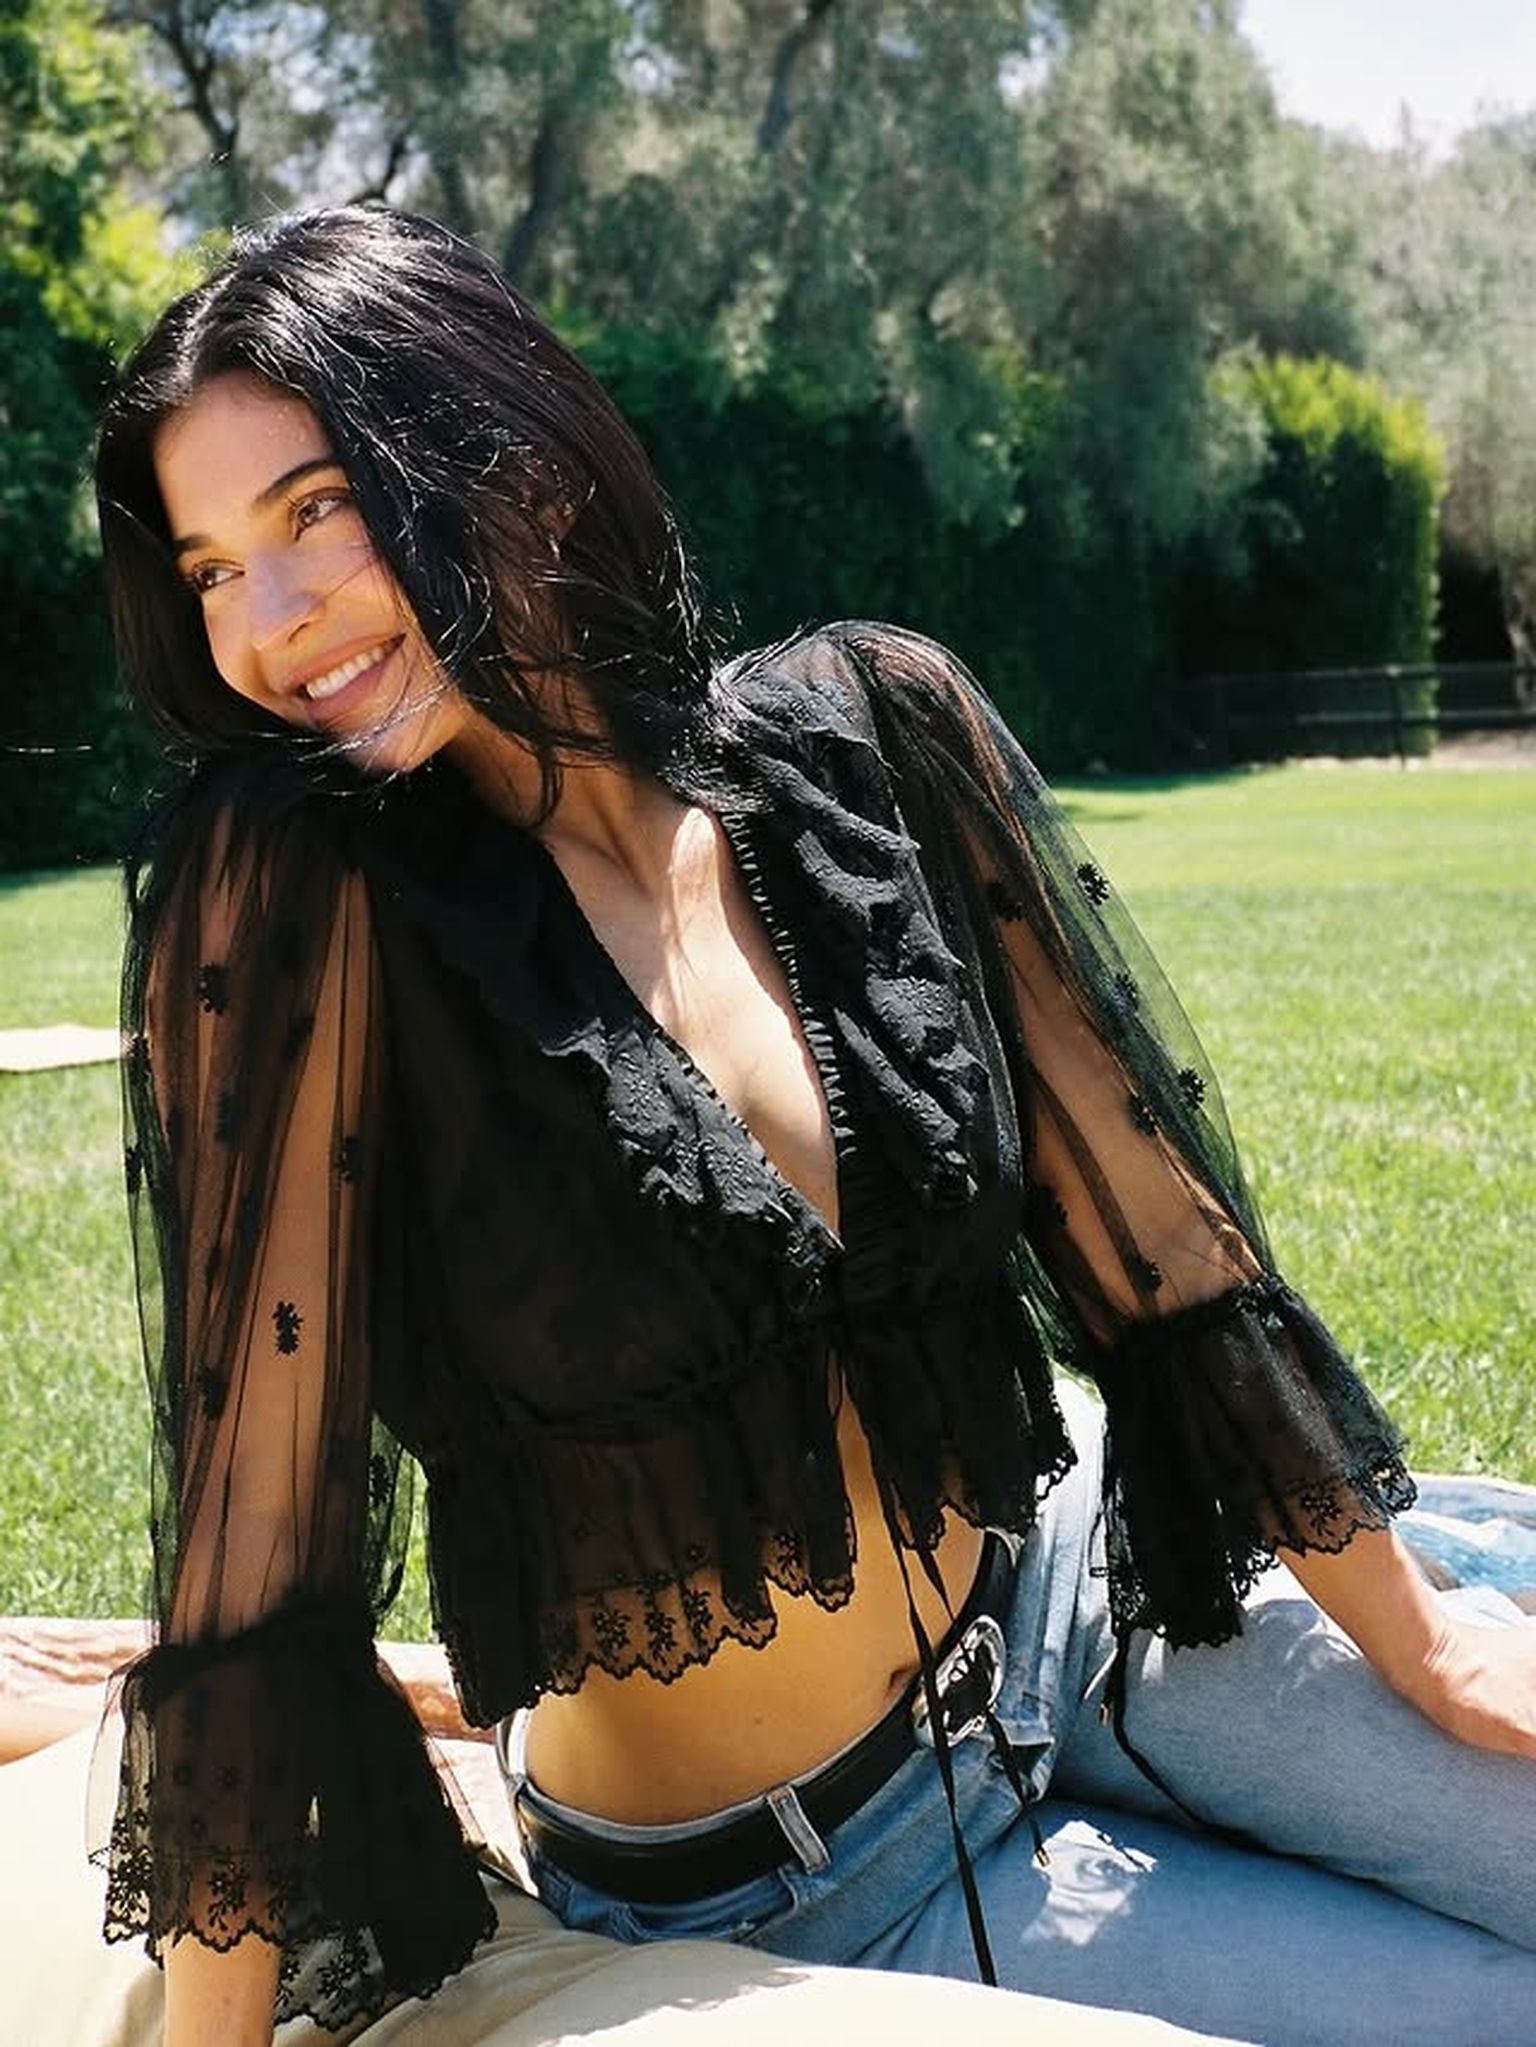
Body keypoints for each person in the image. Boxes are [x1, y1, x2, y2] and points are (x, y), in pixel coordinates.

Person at [88, 204, 1536, 2047]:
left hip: (1107, 1608)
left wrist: (1425, 1642)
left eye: (317, 511)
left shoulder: (876, 735)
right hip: (805, 1869)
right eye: (212, 569)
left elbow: (1163, 1257)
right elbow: (254, 1545)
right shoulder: (301, 908)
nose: (268, 624)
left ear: (522, 467)